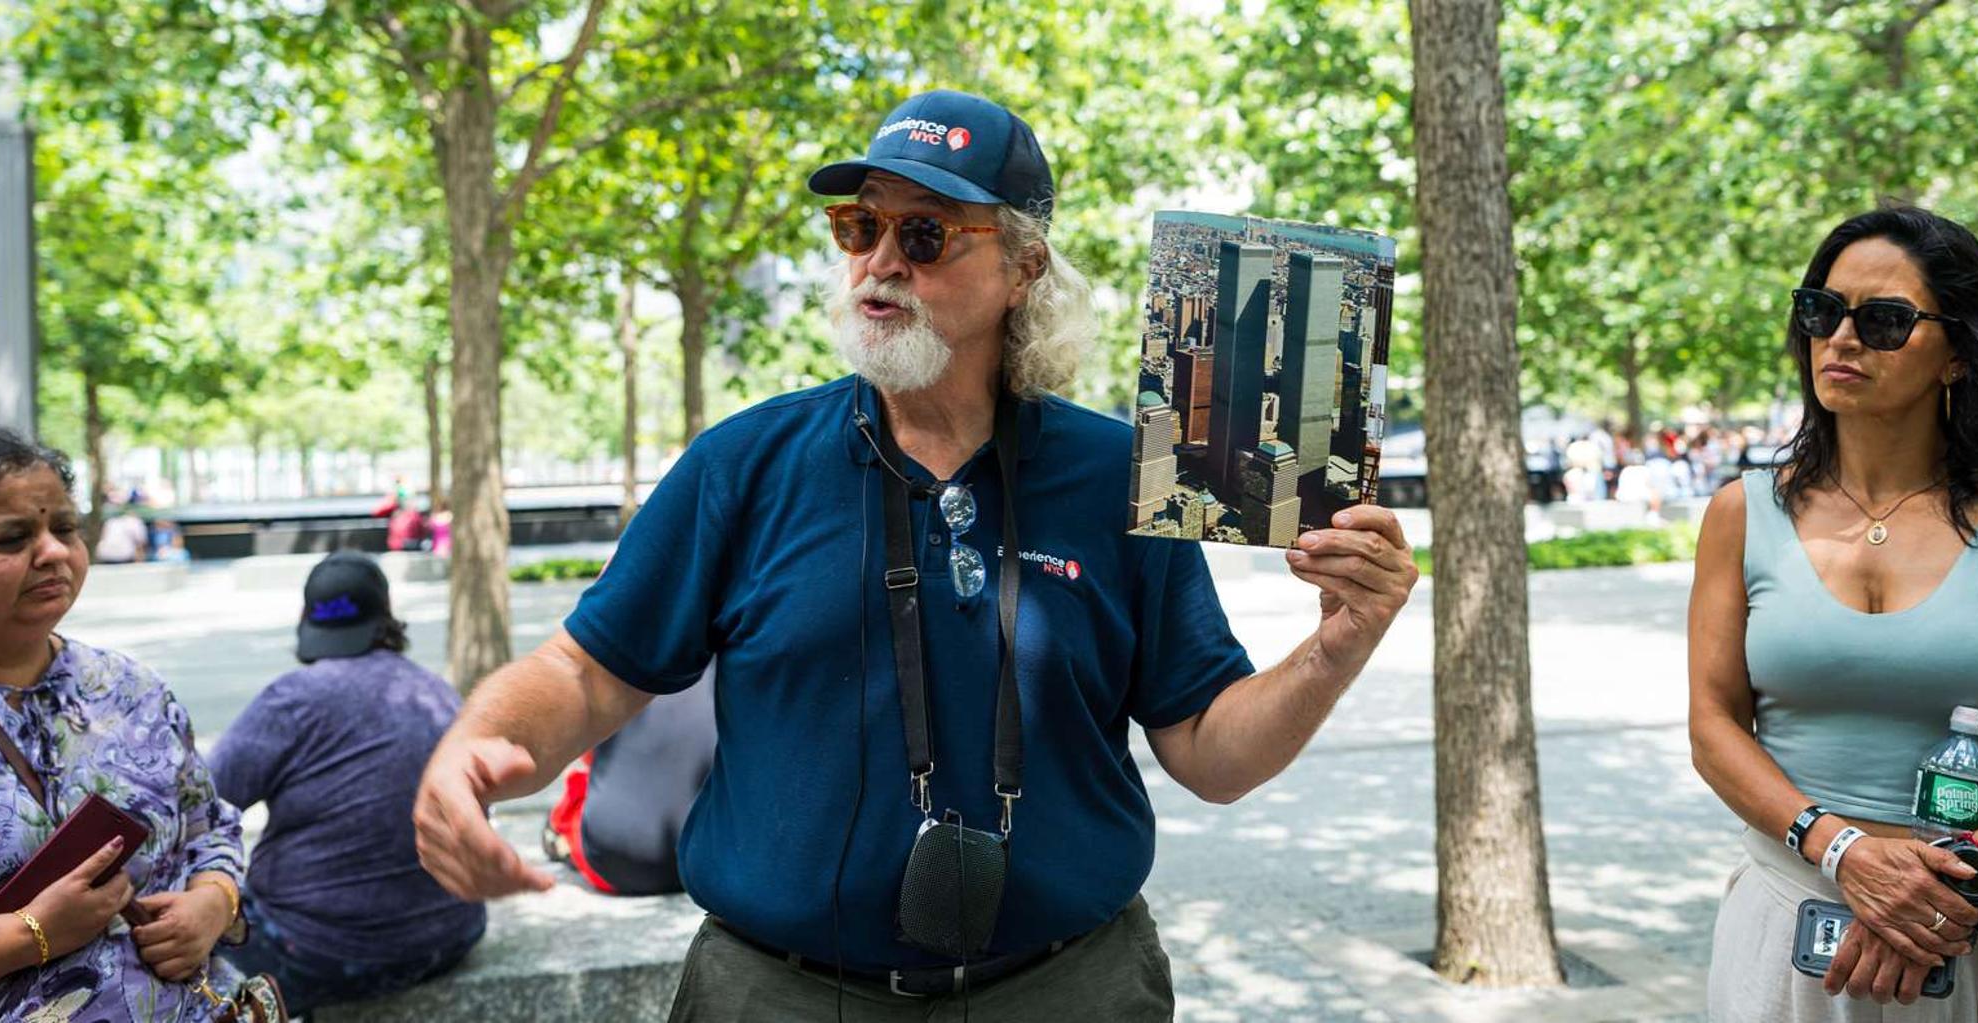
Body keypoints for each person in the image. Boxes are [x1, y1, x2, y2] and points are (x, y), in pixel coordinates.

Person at [411, 89, 1419, 1021]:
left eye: (924, 233)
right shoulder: (743, 464)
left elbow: (1210, 753)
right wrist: (478, 745)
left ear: (1023, 267)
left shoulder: (1120, 474)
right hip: (775, 994)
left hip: (1068, 989)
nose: (879, 261)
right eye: (859, 227)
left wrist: (1338, 640)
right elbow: (586, 671)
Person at [1690, 205, 1978, 1017]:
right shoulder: (1742, 513)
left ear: (1958, 354)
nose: (1841, 338)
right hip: (1790, 921)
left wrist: (1953, 889)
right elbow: (1713, 722)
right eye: (1821, 309)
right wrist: (1843, 851)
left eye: (1884, 320)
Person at [0, 427, 254, 1020]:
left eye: (63, 528)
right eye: (12, 537)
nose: (53, 552)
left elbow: (209, 828)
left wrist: (212, 904)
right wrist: (31, 933)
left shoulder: (129, 689)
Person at [209, 551, 484, 1013]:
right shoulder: (438, 692)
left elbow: (201, 798)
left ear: (307, 621)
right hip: (452, 932)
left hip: (318, 950)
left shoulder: (295, 698)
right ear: (386, 618)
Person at [545, 663, 716, 895]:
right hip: (710, 864)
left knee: (581, 791)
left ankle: (560, 837)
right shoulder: (741, 646)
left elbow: (585, 749)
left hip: (611, 861)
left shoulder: (612, 644)